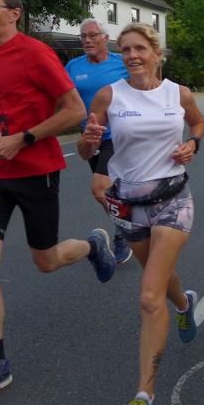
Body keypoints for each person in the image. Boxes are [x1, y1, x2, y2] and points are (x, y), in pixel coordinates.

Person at [0, 0, 116, 405]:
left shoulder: (36, 53)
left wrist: (23, 139)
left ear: (14, 12)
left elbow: (74, 111)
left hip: (36, 171)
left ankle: (93, 245)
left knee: (46, 260)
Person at [79, 22, 204, 405]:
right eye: (126, 50)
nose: (132, 56)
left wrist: (193, 143)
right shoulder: (109, 95)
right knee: (159, 277)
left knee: (150, 295)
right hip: (129, 204)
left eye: (140, 49)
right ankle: (184, 304)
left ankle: (144, 395)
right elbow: (87, 148)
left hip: (173, 200)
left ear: (156, 53)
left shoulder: (178, 93)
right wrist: (87, 143)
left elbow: (198, 123)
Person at [67, 18, 133, 264]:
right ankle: (126, 224)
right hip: (91, 138)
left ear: (106, 38)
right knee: (113, 192)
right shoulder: (73, 67)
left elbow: (144, 85)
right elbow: (61, 97)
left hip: (117, 135)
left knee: (100, 188)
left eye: (93, 35)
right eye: (83, 36)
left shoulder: (121, 63)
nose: (87, 40)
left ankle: (125, 231)